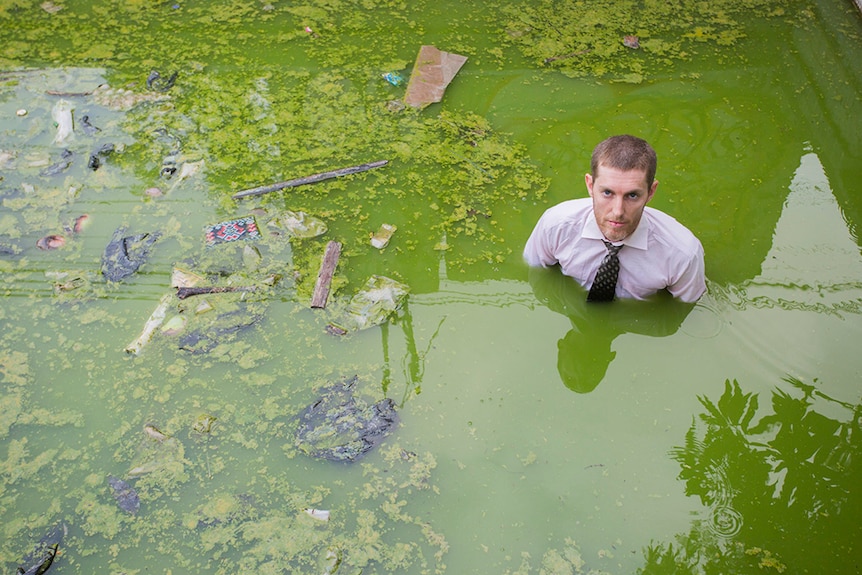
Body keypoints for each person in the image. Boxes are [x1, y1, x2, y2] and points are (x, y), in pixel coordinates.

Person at [523, 135, 706, 303]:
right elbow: (536, 273)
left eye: (632, 195)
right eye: (607, 193)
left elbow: (684, 310)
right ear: (590, 185)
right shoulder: (555, 225)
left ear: (651, 192)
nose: (618, 211)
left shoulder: (683, 254)